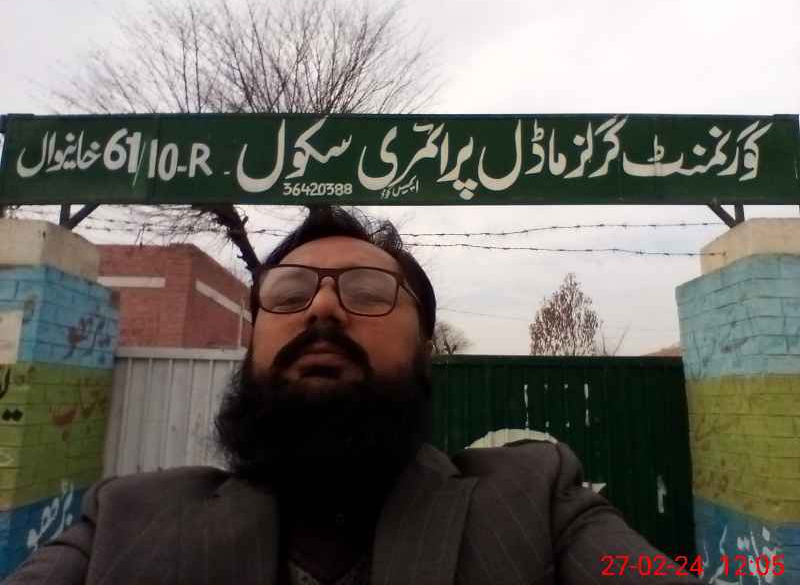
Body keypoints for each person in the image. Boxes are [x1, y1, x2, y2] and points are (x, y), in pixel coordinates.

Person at [5, 206, 700, 584]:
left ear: (425, 348)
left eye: (368, 292)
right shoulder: (122, 520)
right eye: (289, 292)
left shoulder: (539, 503)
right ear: (252, 343)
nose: (323, 309)